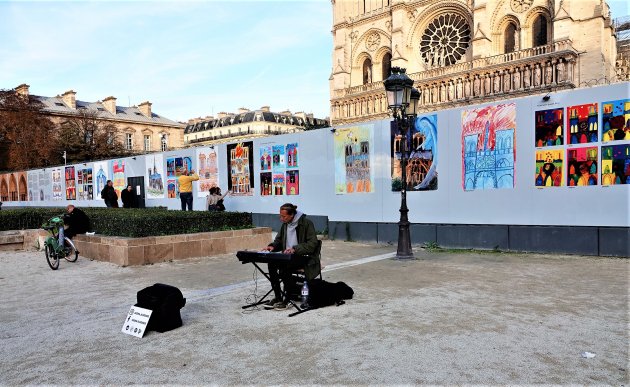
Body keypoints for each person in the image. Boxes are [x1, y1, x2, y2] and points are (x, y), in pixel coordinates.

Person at [261, 203, 320, 310]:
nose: (281, 218)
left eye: (284, 216)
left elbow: (312, 244)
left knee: (285, 267)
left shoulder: (306, 223)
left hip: (303, 257)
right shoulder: (285, 224)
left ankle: (287, 300)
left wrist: (295, 249)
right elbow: (278, 241)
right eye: (280, 216)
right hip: (287, 257)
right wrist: (272, 247)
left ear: (292, 215)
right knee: (271, 264)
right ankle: (278, 297)